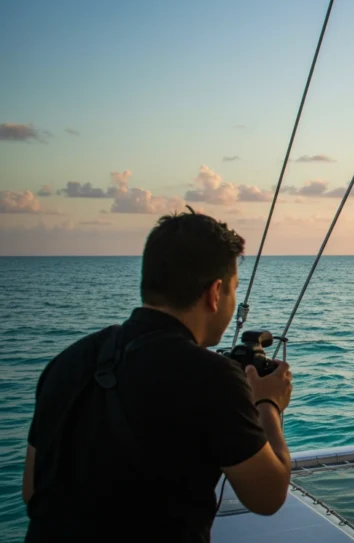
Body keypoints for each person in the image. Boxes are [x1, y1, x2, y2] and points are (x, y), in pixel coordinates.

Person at [22, 209, 294, 541]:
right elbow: (268, 497)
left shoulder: (67, 361)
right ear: (214, 292)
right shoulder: (212, 377)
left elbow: (33, 489)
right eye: (233, 291)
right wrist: (268, 403)